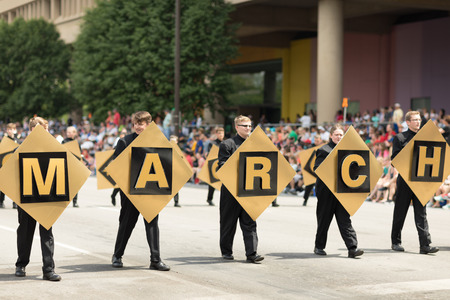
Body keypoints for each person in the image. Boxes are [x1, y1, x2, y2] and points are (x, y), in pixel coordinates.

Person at [111, 111, 170, 271]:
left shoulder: (158, 141)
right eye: (136, 123)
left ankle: (155, 259)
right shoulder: (124, 141)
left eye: (141, 124)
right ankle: (117, 255)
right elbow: (115, 165)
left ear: (149, 125)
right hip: (130, 191)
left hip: (151, 190)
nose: (138, 126)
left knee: (152, 224)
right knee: (126, 223)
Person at [15, 116, 61, 281]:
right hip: (26, 198)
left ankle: (48, 270)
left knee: (47, 233)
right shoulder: (20, 149)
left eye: (45, 130)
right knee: (25, 233)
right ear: (30, 132)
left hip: (47, 197)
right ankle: (21, 264)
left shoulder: (55, 148)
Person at [390, 111, 439, 254]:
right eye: (415, 120)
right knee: (400, 212)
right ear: (408, 122)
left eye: (419, 119)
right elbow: (394, 161)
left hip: (420, 180)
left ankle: (425, 245)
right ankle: (396, 242)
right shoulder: (399, 138)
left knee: (421, 213)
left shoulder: (425, 137)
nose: (418, 122)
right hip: (405, 180)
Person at [313, 124, 363, 258]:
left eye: (341, 135)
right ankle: (319, 247)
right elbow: (317, 169)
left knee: (345, 220)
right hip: (326, 192)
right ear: (331, 135)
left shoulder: (348, 151)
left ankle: (352, 248)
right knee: (324, 220)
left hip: (342, 191)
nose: (339, 137)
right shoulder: (323, 150)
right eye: (336, 135)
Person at [218, 115, 264, 263]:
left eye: (250, 125)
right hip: (231, 190)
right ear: (237, 127)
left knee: (250, 222)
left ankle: (252, 253)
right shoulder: (227, 144)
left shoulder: (256, 144)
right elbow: (222, 166)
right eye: (245, 126)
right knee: (228, 222)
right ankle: (226, 251)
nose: (248, 128)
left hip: (249, 190)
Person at [0, 123, 18, 209]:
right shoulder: (4, 141)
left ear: (15, 130)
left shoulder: (17, 141)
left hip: (13, 165)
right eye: (9, 129)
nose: (10, 131)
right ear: (7, 130)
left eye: (12, 129)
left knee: (15, 185)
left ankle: (15, 202)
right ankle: (1, 200)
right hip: (4, 164)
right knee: (3, 184)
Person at [62, 126, 80, 207]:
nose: (69, 133)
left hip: (75, 165)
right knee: (65, 184)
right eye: (68, 132)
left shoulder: (76, 142)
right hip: (66, 164)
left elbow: (80, 153)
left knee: (75, 184)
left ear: (74, 133)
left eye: (70, 132)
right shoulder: (64, 141)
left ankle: (75, 201)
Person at [302, 134, 322, 206]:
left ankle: (321, 202)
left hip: (320, 169)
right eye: (315, 140)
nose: (316, 141)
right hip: (310, 169)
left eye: (318, 140)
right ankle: (305, 199)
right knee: (309, 186)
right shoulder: (310, 147)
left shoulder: (323, 147)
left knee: (320, 187)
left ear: (320, 140)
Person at [206, 127, 224, 206]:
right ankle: (209, 199)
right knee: (212, 183)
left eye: (222, 133)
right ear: (216, 134)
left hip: (222, 165)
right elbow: (210, 154)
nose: (221, 135)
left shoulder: (225, 143)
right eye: (219, 133)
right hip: (214, 165)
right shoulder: (212, 143)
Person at [111, 128, 128, 206]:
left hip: (127, 166)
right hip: (120, 167)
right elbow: (114, 153)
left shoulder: (129, 142)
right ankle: (113, 195)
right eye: (122, 133)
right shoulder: (119, 142)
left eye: (125, 133)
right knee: (119, 184)